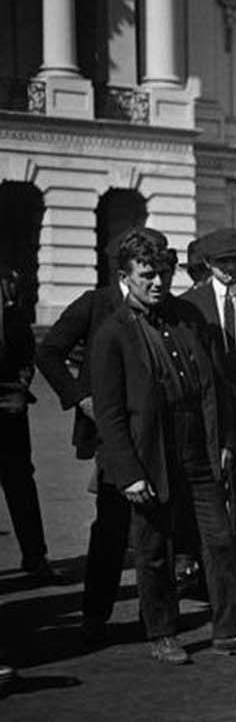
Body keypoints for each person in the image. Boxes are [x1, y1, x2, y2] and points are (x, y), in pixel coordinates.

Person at [89, 228, 236, 665]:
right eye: (146, 275)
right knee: (154, 549)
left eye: (163, 273)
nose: (157, 282)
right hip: (149, 454)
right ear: (126, 276)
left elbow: (215, 383)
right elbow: (110, 414)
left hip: (200, 449)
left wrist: (227, 441)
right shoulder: (112, 334)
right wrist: (129, 473)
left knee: (220, 541)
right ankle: (162, 633)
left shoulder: (189, 317)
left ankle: (231, 630)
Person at [38, 233, 137, 642]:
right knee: (113, 521)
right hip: (108, 430)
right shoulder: (95, 304)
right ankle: (95, 612)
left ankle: (157, 615)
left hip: (150, 427)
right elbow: (49, 352)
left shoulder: (162, 306)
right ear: (122, 268)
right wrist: (81, 398)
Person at [179, 227, 236, 594]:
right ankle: (208, 575)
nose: (229, 269)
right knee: (209, 494)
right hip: (208, 412)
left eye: (234, 261)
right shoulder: (191, 304)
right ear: (208, 265)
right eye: (221, 263)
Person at [0, 266, 65, 585]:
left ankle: (35, 556)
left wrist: (21, 388)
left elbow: (28, 355)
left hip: (10, 408)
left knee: (20, 482)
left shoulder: (13, 318)